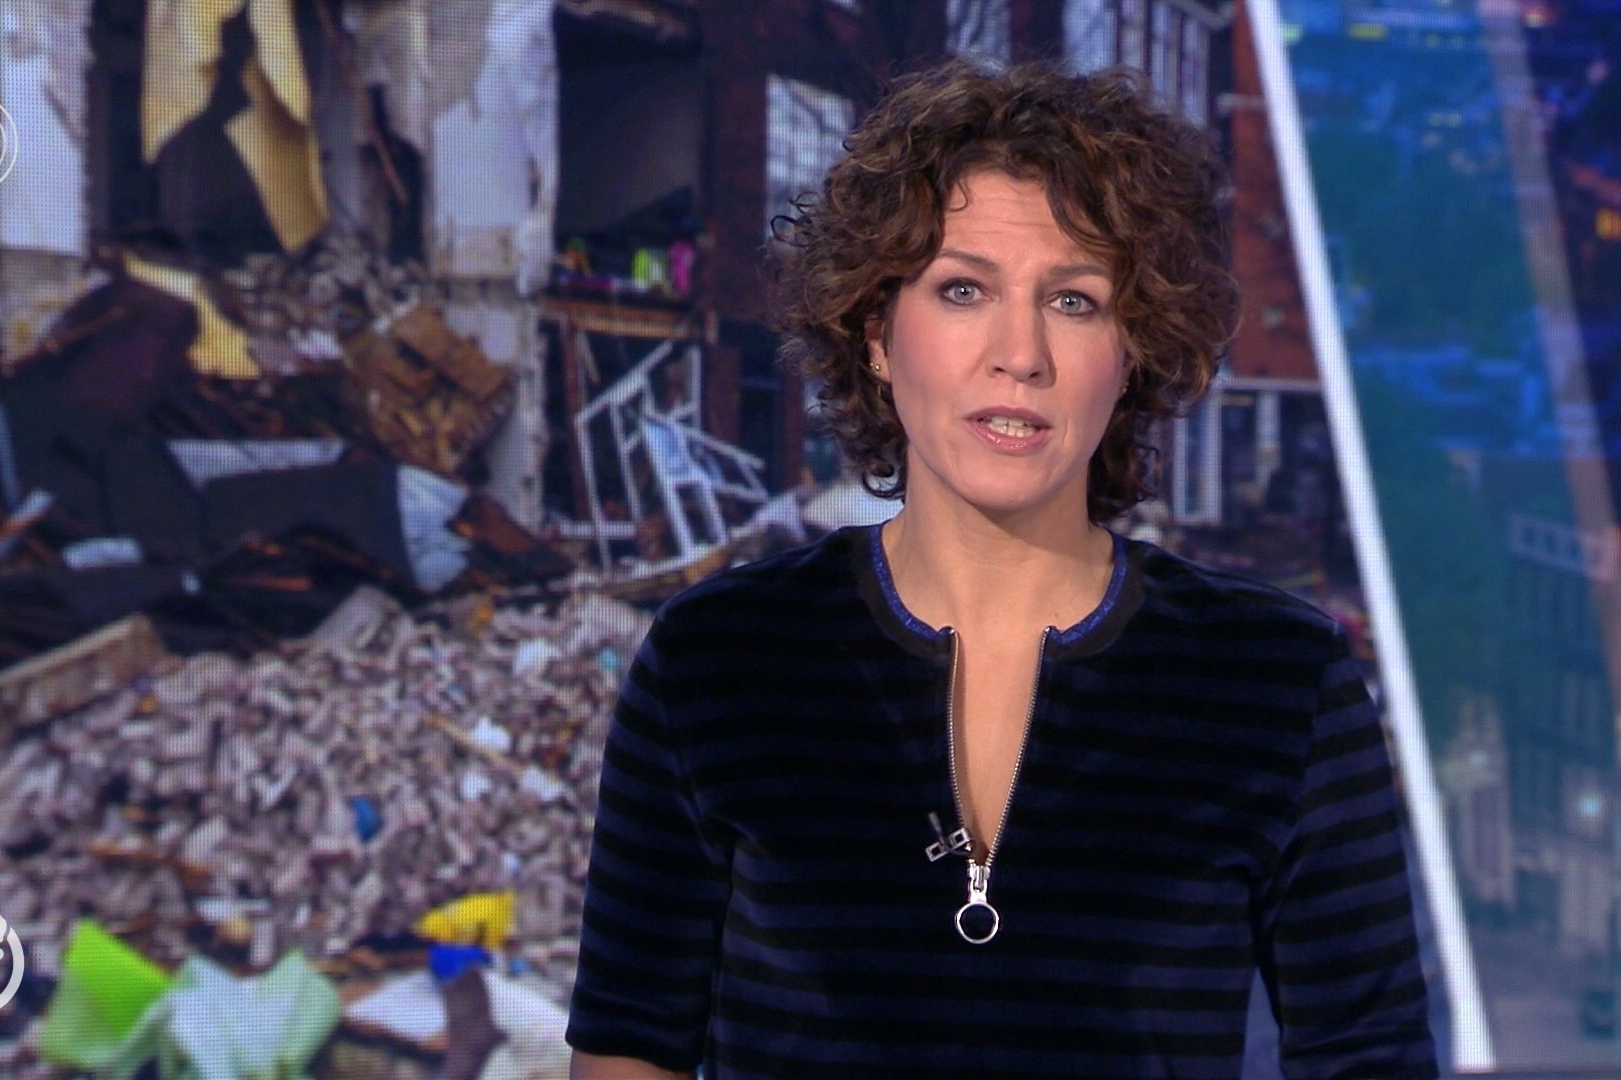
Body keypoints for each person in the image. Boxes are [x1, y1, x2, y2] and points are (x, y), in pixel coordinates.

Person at [565, 59, 1439, 1079]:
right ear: (877, 332)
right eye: (963, 289)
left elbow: (1370, 1058)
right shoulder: (717, 662)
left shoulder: (1281, 681)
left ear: (1134, 350)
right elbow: (628, 1048)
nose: (1019, 352)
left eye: (1073, 300)